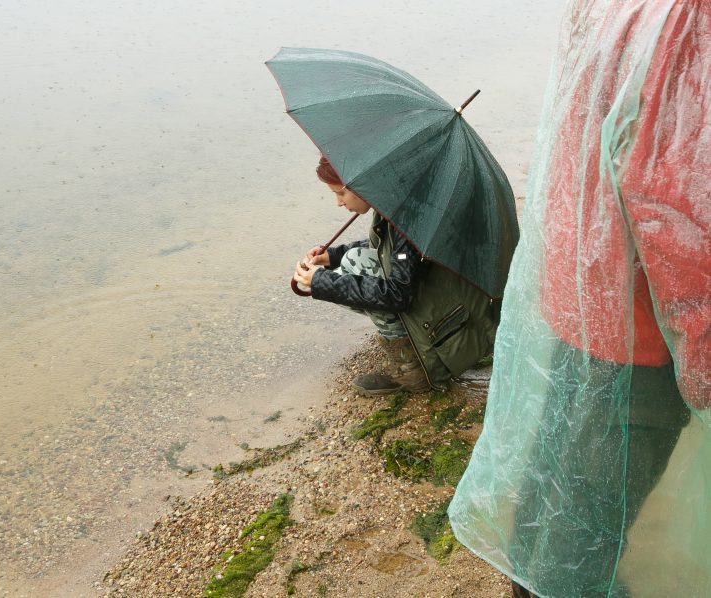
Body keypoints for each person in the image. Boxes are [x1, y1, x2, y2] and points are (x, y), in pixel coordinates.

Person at [448, 1, 710, 596]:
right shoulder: (688, 19)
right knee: (598, 488)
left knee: (560, 458)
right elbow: (680, 216)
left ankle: (536, 575)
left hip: (583, 275)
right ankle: (563, 582)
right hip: (642, 316)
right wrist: (704, 369)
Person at [293, 156, 499, 396]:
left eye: (340, 193)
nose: (339, 202)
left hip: (453, 322)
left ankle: (414, 372)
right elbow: (392, 250)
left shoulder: (407, 219)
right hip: (447, 301)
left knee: (358, 270)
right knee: (352, 261)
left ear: (359, 185)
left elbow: (397, 294)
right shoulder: (405, 203)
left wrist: (320, 281)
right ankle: (413, 348)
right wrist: (332, 256)